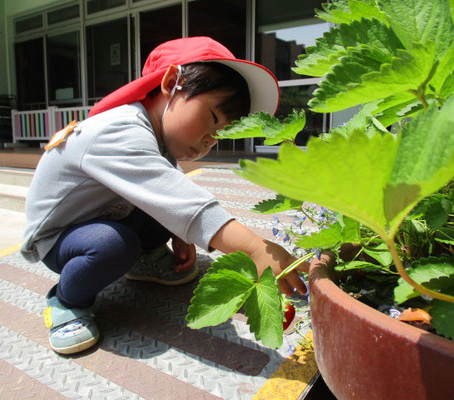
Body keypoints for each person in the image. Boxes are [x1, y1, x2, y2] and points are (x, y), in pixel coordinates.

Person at [21, 36, 308, 355]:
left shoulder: (158, 137)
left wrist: (179, 233)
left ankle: (140, 260)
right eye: (212, 119)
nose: (207, 142)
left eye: (218, 136)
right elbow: (187, 206)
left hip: (108, 213)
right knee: (113, 245)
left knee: (163, 212)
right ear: (172, 82)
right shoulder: (119, 130)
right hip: (58, 236)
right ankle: (66, 300)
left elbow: (171, 195)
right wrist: (255, 248)